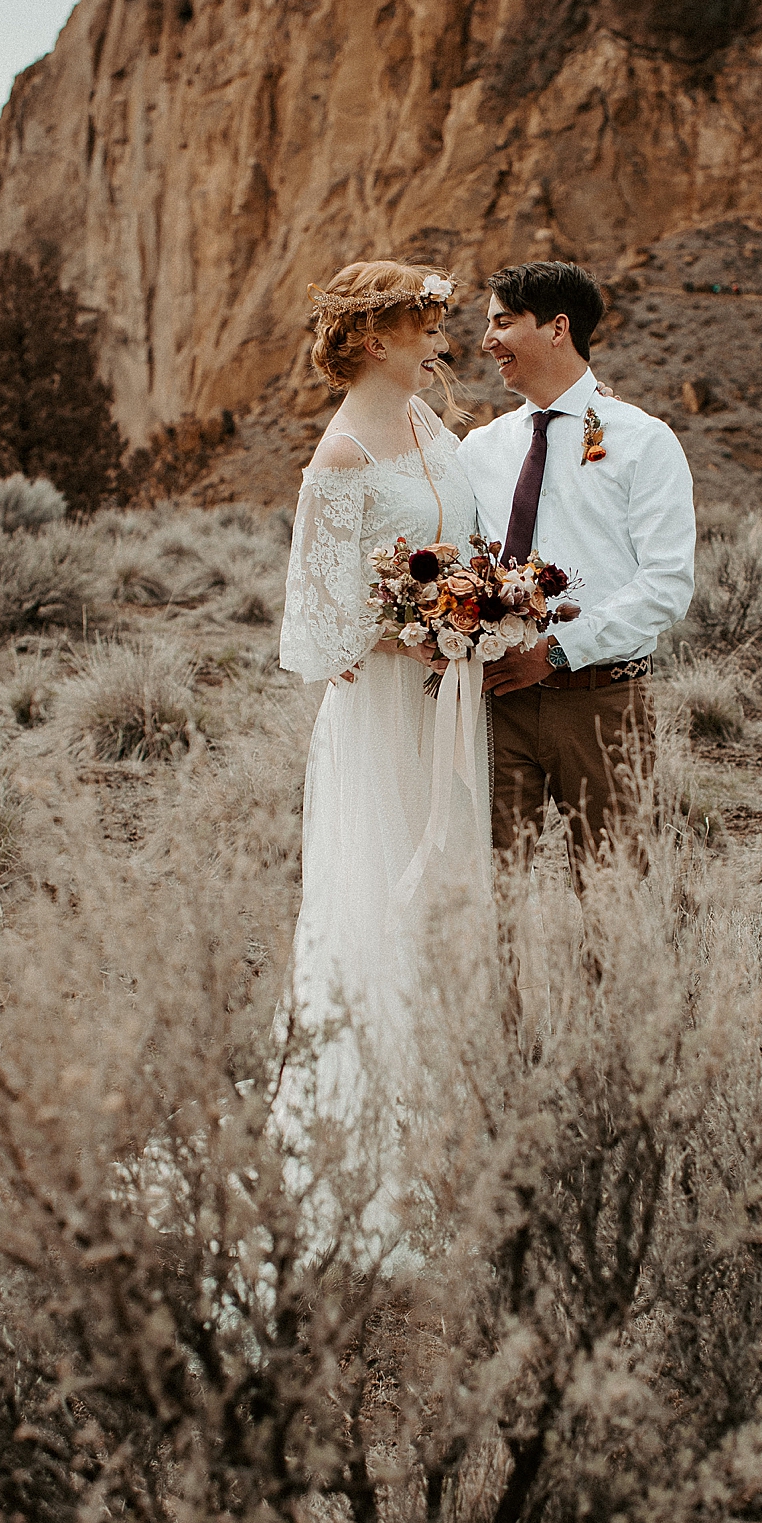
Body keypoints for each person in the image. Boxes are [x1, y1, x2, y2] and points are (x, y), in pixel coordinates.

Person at [275, 260, 490, 1226]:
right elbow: (317, 628)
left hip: (454, 691)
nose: (435, 333)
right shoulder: (342, 456)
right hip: (388, 709)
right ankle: (377, 1144)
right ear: (370, 337)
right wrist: (413, 630)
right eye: (419, 321)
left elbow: (461, 536)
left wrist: (483, 609)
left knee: (449, 886)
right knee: (387, 892)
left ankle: (455, 1114)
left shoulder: (428, 424)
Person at [457, 260, 696, 869]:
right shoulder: (480, 450)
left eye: (503, 323)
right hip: (495, 702)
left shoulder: (644, 441)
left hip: (599, 705)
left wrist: (558, 650)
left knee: (613, 894)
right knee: (490, 891)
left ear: (558, 328)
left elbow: (666, 584)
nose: (487, 341)